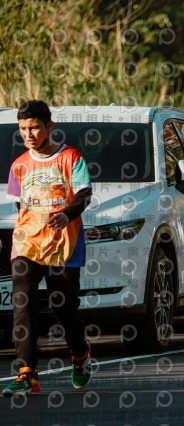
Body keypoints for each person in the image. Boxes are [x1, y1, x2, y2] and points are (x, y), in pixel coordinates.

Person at [3, 100, 93, 396]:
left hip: (63, 246)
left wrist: (67, 214)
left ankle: (79, 354)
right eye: (23, 129)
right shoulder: (19, 165)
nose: (28, 134)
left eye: (34, 128)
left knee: (62, 306)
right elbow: (22, 207)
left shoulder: (70, 157)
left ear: (49, 126)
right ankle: (27, 373)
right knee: (23, 304)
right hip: (27, 244)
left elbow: (84, 193)